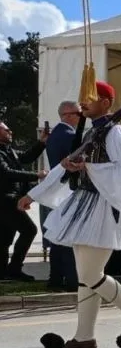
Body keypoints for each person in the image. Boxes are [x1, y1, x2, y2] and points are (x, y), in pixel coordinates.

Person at [21, 81, 121, 348]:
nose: (83, 103)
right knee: (86, 278)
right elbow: (66, 166)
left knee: (91, 275)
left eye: (90, 98)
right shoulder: (91, 133)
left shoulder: (116, 134)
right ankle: (84, 337)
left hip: (104, 207)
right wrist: (34, 195)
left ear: (107, 102)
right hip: (84, 204)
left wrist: (89, 166)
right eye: (82, 98)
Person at [0, 120, 47, 280]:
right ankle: (14, 269)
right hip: (5, 201)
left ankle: (4, 272)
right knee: (29, 230)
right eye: (6, 130)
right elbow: (7, 173)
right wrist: (37, 175)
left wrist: (41, 143)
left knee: (5, 237)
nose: (10, 132)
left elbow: (25, 157)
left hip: (10, 200)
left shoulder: (7, 150)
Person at [43, 101, 81, 290]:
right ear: (68, 115)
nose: (81, 117)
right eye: (78, 113)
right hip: (69, 189)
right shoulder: (69, 135)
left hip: (61, 189)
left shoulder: (57, 134)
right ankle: (72, 279)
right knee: (68, 237)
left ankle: (56, 278)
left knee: (59, 237)